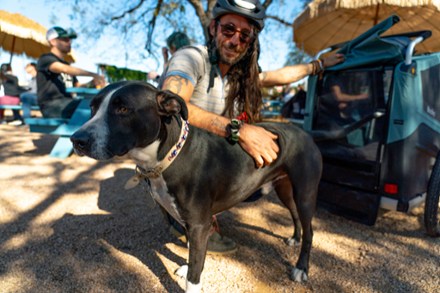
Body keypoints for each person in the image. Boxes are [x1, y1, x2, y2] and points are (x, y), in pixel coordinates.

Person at [159, 0, 344, 253]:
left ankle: (199, 210)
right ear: (213, 28)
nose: (236, 40)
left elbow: (276, 76)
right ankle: (185, 217)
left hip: (206, 160)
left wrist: (318, 65)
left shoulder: (239, 74)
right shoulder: (191, 56)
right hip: (179, 164)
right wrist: (238, 129)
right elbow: (171, 101)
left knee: (253, 180)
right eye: (229, 30)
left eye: (245, 36)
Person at [37, 26, 105, 118]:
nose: (69, 42)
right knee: (96, 107)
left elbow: (77, 86)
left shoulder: (67, 65)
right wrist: (93, 74)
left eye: (70, 40)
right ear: (53, 41)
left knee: (99, 104)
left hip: (67, 102)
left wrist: (91, 83)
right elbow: (62, 69)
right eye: (65, 39)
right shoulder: (45, 59)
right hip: (51, 105)